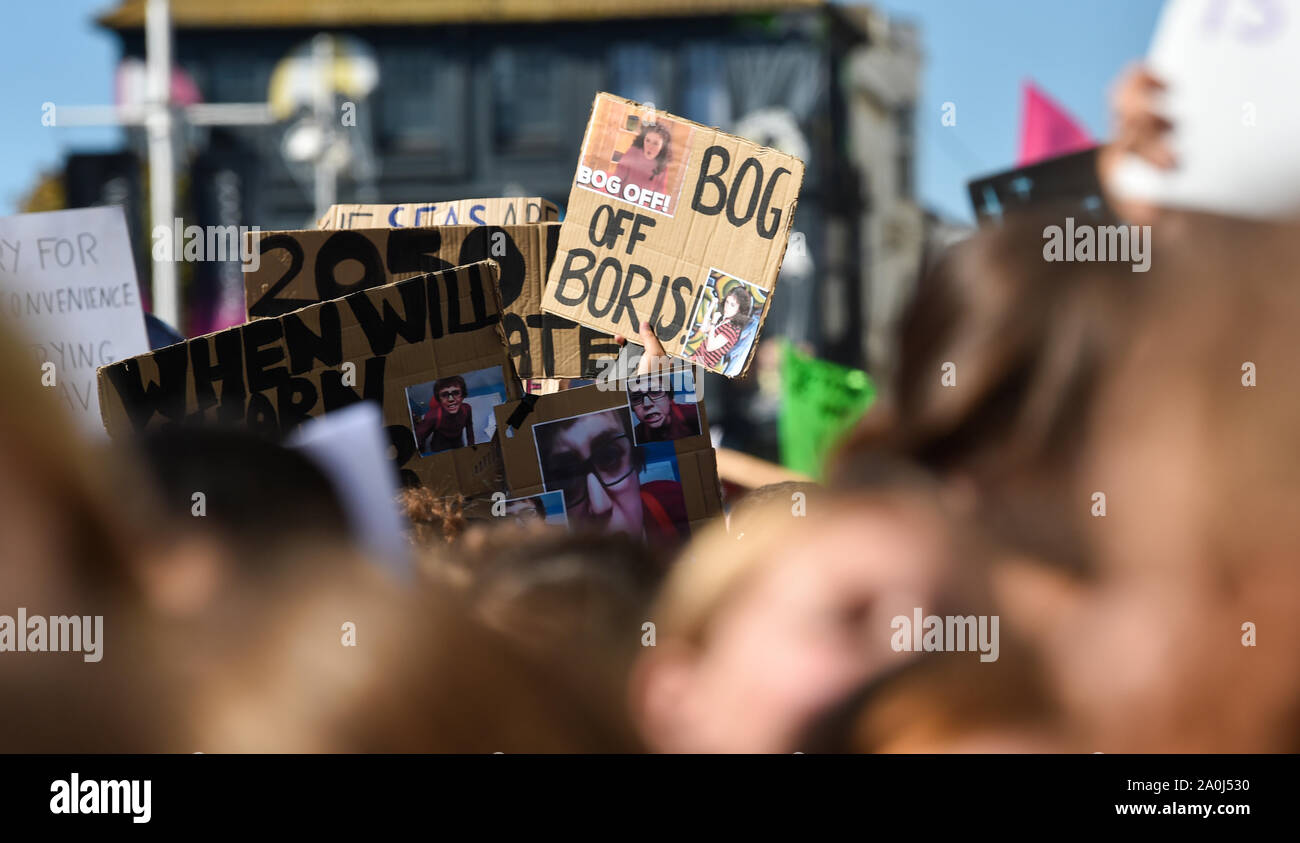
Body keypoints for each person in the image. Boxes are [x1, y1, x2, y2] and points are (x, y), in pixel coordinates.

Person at [535, 408, 688, 544]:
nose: (600, 506)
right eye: (566, 476)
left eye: (609, 457)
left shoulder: (678, 502)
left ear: (636, 461)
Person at [688, 284, 752, 372]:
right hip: (695, 358)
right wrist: (711, 306)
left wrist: (714, 322)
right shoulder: (724, 320)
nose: (727, 307)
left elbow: (710, 347)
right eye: (727, 302)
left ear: (739, 309)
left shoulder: (733, 329)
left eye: (732, 305)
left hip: (702, 365)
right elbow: (703, 329)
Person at [414, 375, 474, 455]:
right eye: (444, 395)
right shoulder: (433, 416)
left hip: (457, 438)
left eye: (456, 393)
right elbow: (420, 436)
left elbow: (469, 425)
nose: (451, 399)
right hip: (440, 440)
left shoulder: (467, 409)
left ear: (463, 395)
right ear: (439, 400)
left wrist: (471, 444)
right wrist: (421, 451)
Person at [629, 379, 700, 443]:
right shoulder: (636, 436)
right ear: (632, 407)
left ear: (669, 397)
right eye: (636, 398)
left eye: (655, 392)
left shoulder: (696, 416)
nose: (647, 404)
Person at [614, 123, 672, 197]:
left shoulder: (663, 165)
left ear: (663, 147)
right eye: (647, 140)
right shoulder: (632, 153)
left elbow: (659, 194)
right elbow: (616, 180)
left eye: (656, 143)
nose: (649, 147)